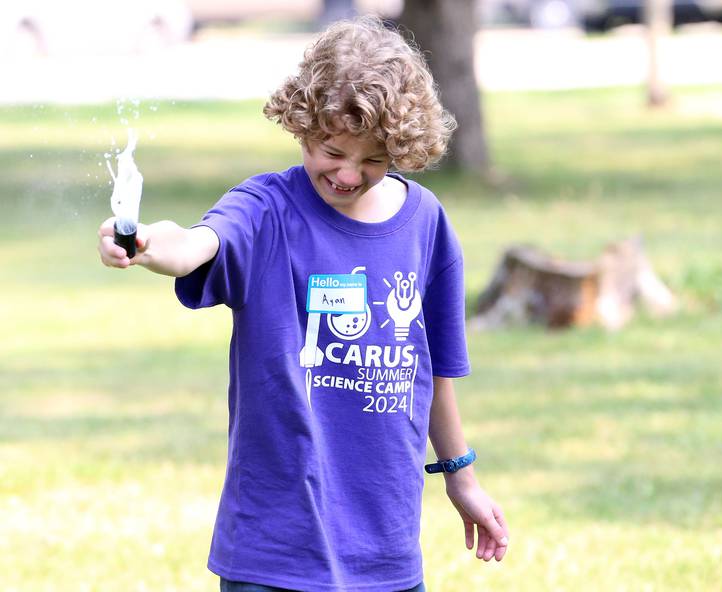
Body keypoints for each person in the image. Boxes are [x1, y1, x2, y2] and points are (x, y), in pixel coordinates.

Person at [97, 16, 508, 592]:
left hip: (385, 553)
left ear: (403, 148)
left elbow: (433, 369)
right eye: (331, 150)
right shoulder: (266, 210)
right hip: (273, 552)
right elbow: (196, 243)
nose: (346, 173)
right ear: (301, 125)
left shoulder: (427, 225)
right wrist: (144, 245)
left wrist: (460, 476)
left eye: (372, 161)